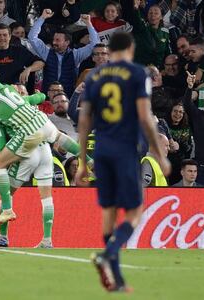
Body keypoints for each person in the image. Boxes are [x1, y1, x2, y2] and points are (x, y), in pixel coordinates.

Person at [75, 32, 170, 292]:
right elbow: (144, 116)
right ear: (129, 48)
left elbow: (84, 121)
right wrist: (160, 155)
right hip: (126, 150)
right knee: (135, 211)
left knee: (109, 214)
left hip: (102, 150)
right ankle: (108, 255)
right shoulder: (138, 74)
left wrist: (83, 162)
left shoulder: (94, 76)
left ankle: (116, 279)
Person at [0, 70, 94, 226]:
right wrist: (40, 96)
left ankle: (7, 211)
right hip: (42, 123)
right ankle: (89, 160)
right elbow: (36, 98)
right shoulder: (7, 89)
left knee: (0, 164)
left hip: (28, 137)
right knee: (59, 139)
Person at [0, 87, 55, 248]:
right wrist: (35, 94)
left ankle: (2, 236)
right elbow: (42, 96)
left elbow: (2, 146)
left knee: (6, 194)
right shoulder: (27, 103)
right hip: (45, 150)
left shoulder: (2, 116)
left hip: (27, 153)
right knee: (47, 197)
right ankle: (47, 240)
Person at [28, 9, 99, 97]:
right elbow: (32, 37)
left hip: (67, 98)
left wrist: (88, 23)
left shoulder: (76, 55)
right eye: (54, 39)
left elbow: (95, 44)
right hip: (48, 98)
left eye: (57, 40)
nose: (54, 42)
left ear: (67, 42)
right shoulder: (46, 52)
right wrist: (42, 18)